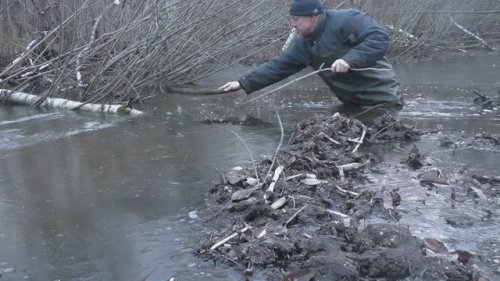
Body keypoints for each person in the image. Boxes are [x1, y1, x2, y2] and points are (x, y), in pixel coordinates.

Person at [218, 0, 403, 108]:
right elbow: (278, 67)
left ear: (312, 17)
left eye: (296, 19)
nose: (293, 24)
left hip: (384, 99)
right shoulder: (304, 44)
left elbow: (379, 39)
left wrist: (349, 60)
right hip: (351, 103)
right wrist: (243, 83)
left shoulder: (349, 19)